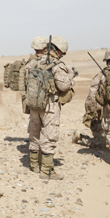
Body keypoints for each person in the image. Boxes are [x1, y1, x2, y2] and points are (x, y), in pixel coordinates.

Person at [25, 36, 75, 180]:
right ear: (59, 50)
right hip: (50, 105)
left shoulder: (33, 63)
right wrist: (71, 79)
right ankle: (47, 171)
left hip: (34, 104)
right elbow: (63, 86)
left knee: (34, 134)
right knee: (49, 136)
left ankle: (34, 165)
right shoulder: (56, 65)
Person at [19, 36, 49, 113]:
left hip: (32, 102)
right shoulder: (48, 62)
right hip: (46, 103)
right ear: (46, 47)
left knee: (34, 124)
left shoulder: (29, 63)